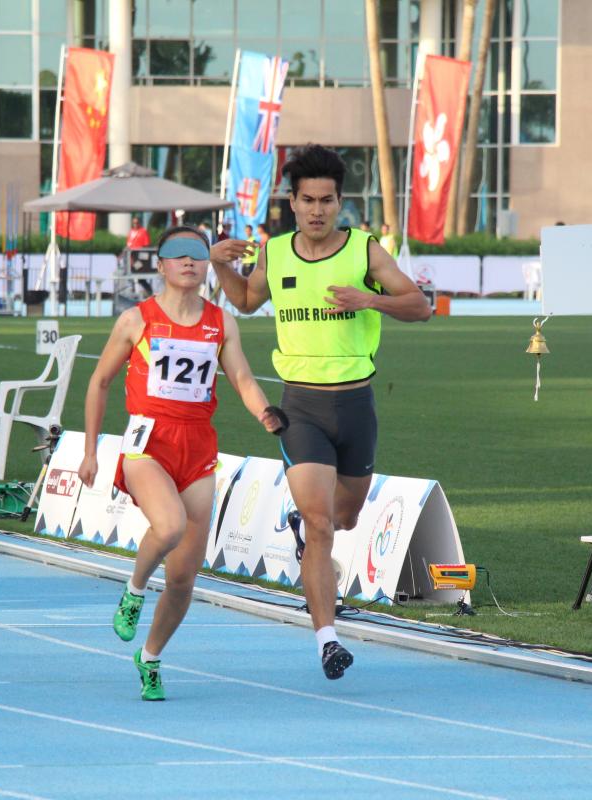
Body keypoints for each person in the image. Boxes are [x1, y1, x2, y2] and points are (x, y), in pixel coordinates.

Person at [208, 144, 431, 680]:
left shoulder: (365, 251)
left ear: (340, 203)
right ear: (291, 201)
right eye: (306, 200)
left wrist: (369, 300)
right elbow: (244, 300)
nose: (316, 211)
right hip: (300, 406)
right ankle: (328, 640)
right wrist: (219, 267)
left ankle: (311, 538)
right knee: (319, 521)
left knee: (345, 517)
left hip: (356, 405)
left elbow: (421, 306)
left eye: (326, 201)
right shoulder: (275, 251)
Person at [79, 225, 285, 701]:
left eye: (197, 254)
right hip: (148, 443)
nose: (189, 262)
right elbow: (100, 382)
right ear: (161, 265)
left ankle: (150, 655)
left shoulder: (220, 322)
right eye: (178, 255)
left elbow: (243, 379)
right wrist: (90, 451)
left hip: (197, 448)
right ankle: (132, 591)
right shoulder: (136, 320)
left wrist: (266, 413)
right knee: (168, 527)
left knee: (182, 577)